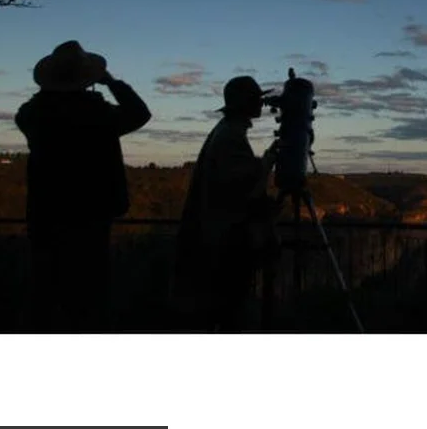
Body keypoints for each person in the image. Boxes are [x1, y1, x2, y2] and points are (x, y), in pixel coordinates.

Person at [14, 40, 151, 332]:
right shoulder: (98, 115)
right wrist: (111, 82)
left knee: (44, 292)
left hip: (45, 214)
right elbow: (140, 113)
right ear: (87, 78)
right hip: (91, 216)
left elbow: (27, 112)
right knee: (89, 297)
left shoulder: (33, 114)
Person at [171, 76, 282, 332]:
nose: (262, 103)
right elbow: (242, 186)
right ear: (246, 104)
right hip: (225, 243)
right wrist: (268, 161)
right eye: (256, 99)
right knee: (230, 312)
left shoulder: (227, 131)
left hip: (219, 239)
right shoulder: (230, 135)